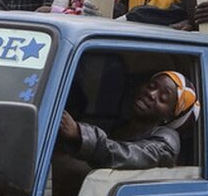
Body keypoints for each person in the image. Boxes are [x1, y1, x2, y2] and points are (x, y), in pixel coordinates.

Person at [56, 70, 198, 171]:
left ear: (169, 117)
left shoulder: (167, 143)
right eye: (151, 86)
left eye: (163, 98)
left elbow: (128, 156)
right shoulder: (124, 124)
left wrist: (80, 134)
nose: (151, 94)